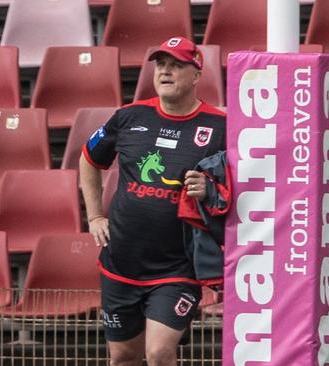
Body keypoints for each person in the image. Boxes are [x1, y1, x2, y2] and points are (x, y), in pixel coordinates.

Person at [80, 36, 226, 366]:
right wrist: (94, 217)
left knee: (159, 352)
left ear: (197, 74)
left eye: (176, 66)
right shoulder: (128, 117)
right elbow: (89, 159)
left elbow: (239, 188)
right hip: (121, 264)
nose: (166, 72)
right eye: (161, 65)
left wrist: (209, 189)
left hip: (178, 267)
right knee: (123, 358)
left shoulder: (220, 127)